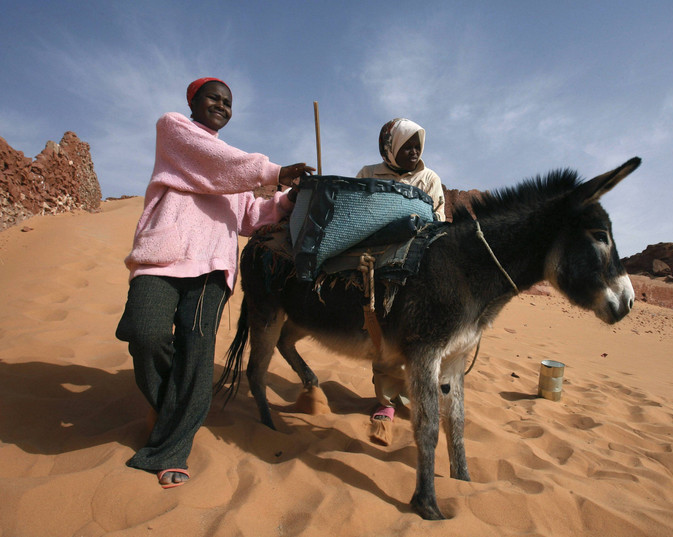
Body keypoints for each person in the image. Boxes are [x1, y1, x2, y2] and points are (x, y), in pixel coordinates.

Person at [115, 77, 314, 488]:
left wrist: (289, 198)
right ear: (194, 101)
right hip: (161, 258)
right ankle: (177, 407)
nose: (222, 106)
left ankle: (171, 449)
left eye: (228, 102)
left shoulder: (230, 173)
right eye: (214, 98)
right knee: (144, 332)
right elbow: (214, 163)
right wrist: (276, 171)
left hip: (212, 268)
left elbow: (250, 216)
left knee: (196, 351)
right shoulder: (175, 131)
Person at [356, 118, 446, 444]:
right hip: (376, 264)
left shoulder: (429, 178)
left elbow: (437, 221)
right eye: (406, 145)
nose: (413, 152)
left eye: (417, 146)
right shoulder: (368, 173)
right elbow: (357, 213)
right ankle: (385, 402)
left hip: (416, 265)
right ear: (389, 147)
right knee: (384, 334)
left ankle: (405, 397)